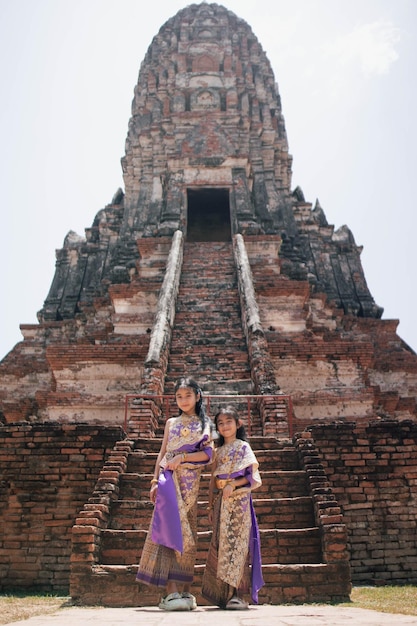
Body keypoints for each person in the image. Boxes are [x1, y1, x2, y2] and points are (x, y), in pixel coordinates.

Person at [136, 377, 213, 611]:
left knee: (188, 535)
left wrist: (183, 458)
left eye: (188, 395)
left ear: (198, 396)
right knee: (170, 530)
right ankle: (170, 592)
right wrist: (153, 481)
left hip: (190, 483)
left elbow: (208, 455)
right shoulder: (170, 422)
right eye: (179, 396)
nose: (183, 400)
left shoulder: (204, 423)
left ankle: (185, 591)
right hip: (168, 481)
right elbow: (162, 454)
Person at [201, 405, 264, 610]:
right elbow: (212, 481)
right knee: (222, 546)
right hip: (221, 503)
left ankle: (238, 595)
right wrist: (210, 507)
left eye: (229, 421)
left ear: (238, 424)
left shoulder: (243, 447)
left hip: (239, 502)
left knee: (238, 546)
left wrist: (233, 484)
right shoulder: (217, 451)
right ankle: (223, 594)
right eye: (220, 423)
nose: (225, 426)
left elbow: (252, 477)